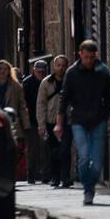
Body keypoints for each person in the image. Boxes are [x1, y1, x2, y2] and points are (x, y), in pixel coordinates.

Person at [56, 39, 110, 205]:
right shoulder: (72, 73)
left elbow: (109, 95)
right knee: (83, 156)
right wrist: (59, 123)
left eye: (91, 57)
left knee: (96, 161)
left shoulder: (102, 71)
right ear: (80, 54)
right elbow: (64, 98)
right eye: (86, 56)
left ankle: (90, 185)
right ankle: (88, 190)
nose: (88, 60)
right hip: (79, 121)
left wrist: (105, 115)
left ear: (95, 55)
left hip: (98, 120)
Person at [37, 55, 71, 187]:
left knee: (65, 149)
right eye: (59, 65)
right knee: (54, 150)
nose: (61, 68)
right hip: (51, 120)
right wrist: (41, 124)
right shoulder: (46, 82)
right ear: (54, 66)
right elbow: (40, 104)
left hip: (67, 120)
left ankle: (66, 177)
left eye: (63, 65)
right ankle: (56, 177)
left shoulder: (70, 81)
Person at [22, 60, 49, 183]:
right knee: (32, 149)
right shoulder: (27, 83)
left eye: (43, 72)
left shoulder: (49, 82)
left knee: (44, 148)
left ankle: (44, 174)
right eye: (39, 71)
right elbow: (23, 103)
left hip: (45, 119)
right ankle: (31, 174)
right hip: (31, 120)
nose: (41, 74)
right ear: (34, 70)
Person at [0, 59, 28, 144]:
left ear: (9, 71)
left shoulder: (16, 86)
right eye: (0, 69)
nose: (2, 71)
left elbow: (22, 106)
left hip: (12, 123)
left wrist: (26, 125)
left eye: (5, 69)